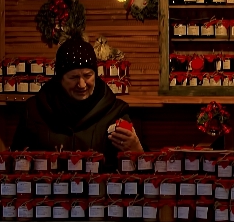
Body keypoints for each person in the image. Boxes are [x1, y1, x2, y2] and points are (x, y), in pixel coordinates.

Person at [12, 36, 142, 169]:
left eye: (87, 75)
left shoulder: (115, 112)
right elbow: (16, 162)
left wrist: (137, 149)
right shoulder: (34, 110)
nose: (81, 84)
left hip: (101, 189)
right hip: (47, 188)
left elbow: (139, 172)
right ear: (60, 79)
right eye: (73, 77)